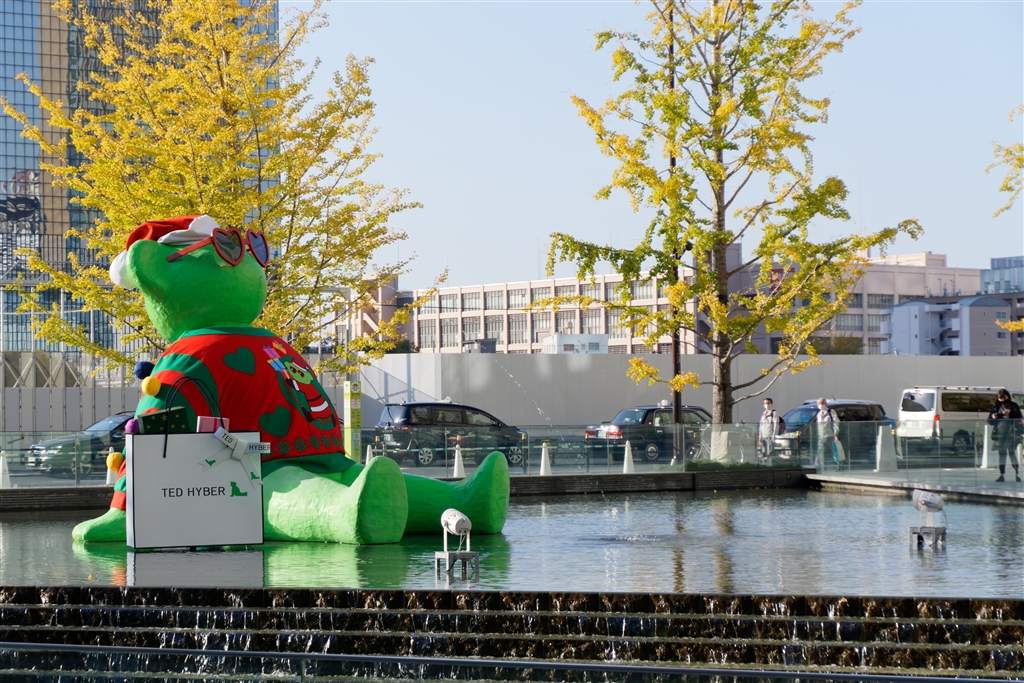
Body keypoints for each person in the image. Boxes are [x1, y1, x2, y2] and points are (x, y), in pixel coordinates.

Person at [989, 388, 1022, 483]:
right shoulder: (996, 407)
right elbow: (989, 421)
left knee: (1012, 454)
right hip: (1000, 434)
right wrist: (993, 417)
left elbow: (1019, 417)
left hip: (1012, 433)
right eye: (1000, 398)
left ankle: (1016, 473)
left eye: (1004, 397)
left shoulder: (1013, 405)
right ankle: (1002, 474)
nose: (1002, 400)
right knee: (1002, 455)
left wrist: (1010, 412)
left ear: (1008, 396)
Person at [814, 398, 840, 470]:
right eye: (819, 404)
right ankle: (817, 466)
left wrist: (836, 432)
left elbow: (836, 422)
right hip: (822, 436)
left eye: (822, 403)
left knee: (835, 450)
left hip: (830, 435)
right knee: (819, 451)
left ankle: (839, 465)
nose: (821, 405)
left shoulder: (831, 412)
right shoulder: (819, 414)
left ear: (826, 404)